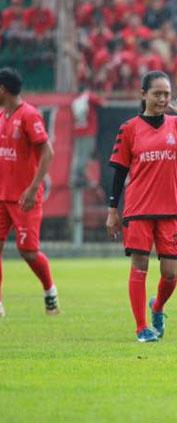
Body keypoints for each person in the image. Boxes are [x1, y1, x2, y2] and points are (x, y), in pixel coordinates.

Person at [107, 70, 177, 342]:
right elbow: (118, 171)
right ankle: (141, 328)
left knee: (170, 274)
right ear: (144, 95)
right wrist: (112, 209)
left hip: (172, 209)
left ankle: (158, 307)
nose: (163, 98)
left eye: (166, 93)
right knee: (139, 265)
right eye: (157, 93)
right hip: (139, 208)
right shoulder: (129, 129)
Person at [0, 67, 58, 318]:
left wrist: (33, 188)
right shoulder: (2, 115)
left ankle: (50, 291)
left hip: (24, 198)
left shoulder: (29, 115)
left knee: (28, 251)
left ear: (3, 90)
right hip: (2, 196)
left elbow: (48, 152)